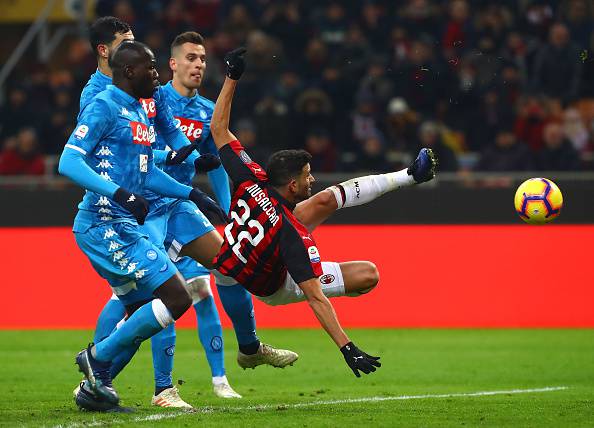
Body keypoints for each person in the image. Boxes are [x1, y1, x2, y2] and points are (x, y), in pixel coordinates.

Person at [74, 19, 295, 411]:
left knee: (229, 265)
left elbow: (196, 157)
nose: (198, 65)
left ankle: (247, 347)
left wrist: (218, 202)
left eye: (203, 59)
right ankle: (146, 384)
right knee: (146, 298)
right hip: (135, 210)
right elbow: (108, 157)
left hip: (174, 203)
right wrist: (123, 188)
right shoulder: (104, 96)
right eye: (191, 57)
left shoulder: (162, 100)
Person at [209, 48, 437, 376]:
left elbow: (218, 128)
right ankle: (252, 345)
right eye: (307, 176)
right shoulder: (291, 235)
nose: (312, 179)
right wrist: (347, 347)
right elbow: (315, 298)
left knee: (326, 199)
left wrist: (232, 76)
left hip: (237, 256)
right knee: (369, 275)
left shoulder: (250, 177)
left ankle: (409, 175)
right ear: (292, 185)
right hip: (274, 285)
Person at [59, 40, 209, 410]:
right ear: (129, 71)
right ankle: (96, 358)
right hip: (103, 224)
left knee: (146, 314)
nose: (156, 76)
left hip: (122, 224)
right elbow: (69, 161)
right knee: (176, 297)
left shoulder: (139, 111)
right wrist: (120, 194)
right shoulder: (104, 105)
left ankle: (95, 390)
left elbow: (147, 173)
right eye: (151, 68)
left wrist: (192, 193)